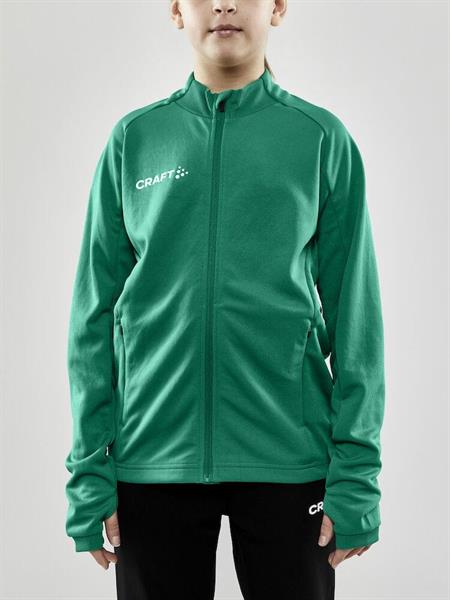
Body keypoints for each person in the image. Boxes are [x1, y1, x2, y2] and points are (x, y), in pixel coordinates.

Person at [64, 0, 386, 598]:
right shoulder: (135, 139)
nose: (225, 4)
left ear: (278, 8)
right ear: (176, 10)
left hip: (290, 456)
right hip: (152, 457)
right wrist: (89, 470)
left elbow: (357, 321)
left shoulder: (319, 138)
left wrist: (357, 476)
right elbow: (92, 316)